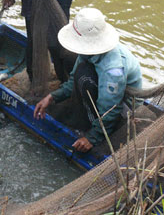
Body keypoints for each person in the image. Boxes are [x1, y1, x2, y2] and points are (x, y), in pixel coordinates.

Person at [33, 8, 142, 153]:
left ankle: (95, 128)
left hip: (123, 110)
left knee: (85, 76)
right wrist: (52, 97)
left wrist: (93, 137)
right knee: (81, 72)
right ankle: (90, 120)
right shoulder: (89, 53)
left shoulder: (113, 70)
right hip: (107, 96)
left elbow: (110, 108)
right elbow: (72, 80)